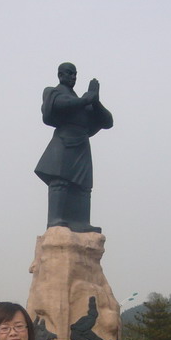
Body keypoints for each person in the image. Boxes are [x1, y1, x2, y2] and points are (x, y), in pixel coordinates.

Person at [34, 62, 114, 233]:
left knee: (84, 186)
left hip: (82, 143)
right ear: (60, 75)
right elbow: (60, 104)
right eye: (69, 73)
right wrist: (86, 99)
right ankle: (55, 220)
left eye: (75, 74)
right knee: (60, 182)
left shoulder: (83, 101)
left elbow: (108, 121)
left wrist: (95, 100)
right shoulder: (53, 92)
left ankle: (81, 221)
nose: (73, 77)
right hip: (64, 140)